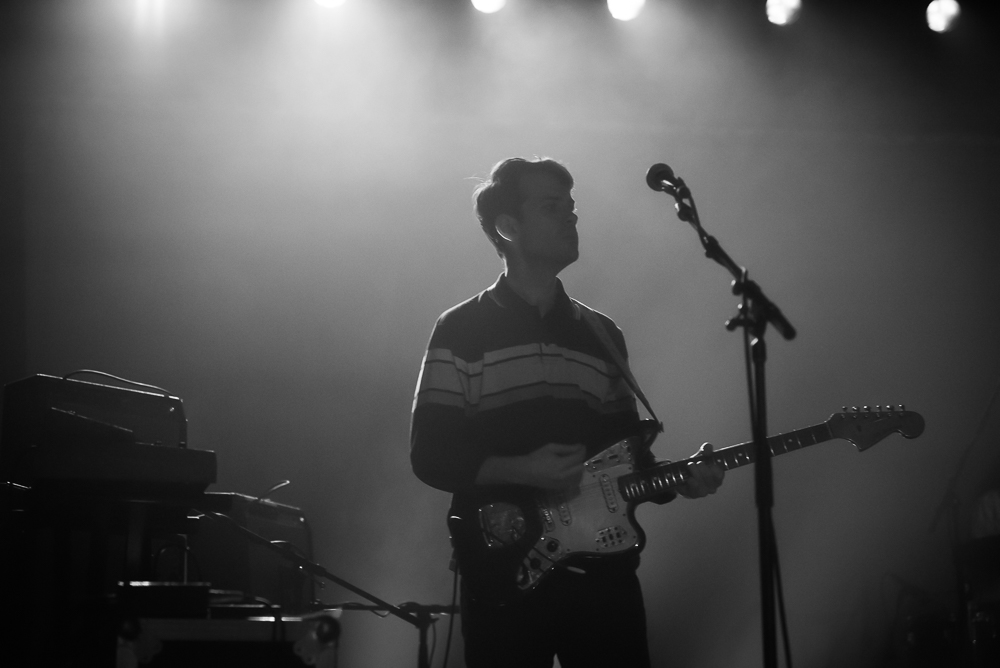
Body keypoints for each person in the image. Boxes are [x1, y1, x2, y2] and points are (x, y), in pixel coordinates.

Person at [410, 157, 725, 668]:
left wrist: (682, 480)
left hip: (604, 581)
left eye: (572, 207)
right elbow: (430, 454)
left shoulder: (602, 333)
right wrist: (521, 470)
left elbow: (626, 462)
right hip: (503, 573)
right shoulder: (459, 329)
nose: (571, 218)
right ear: (507, 227)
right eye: (552, 207)